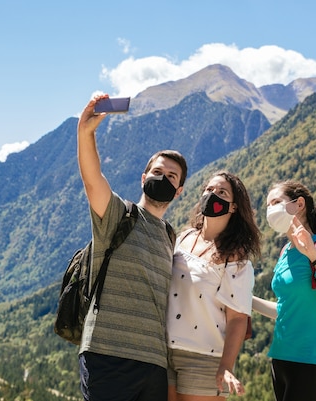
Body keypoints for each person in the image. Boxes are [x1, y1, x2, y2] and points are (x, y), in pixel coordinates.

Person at [77, 93, 188, 401]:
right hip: (107, 355)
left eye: (170, 176)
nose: (162, 178)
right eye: (157, 172)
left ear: (178, 192)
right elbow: (92, 180)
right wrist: (85, 132)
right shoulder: (118, 214)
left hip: (153, 365)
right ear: (143, 178)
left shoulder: (170, 236)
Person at [252, 180, 316, 401]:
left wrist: (313, 256)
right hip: (280, 355)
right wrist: (245, 299)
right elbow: (286, 308)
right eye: (268, 206)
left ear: (299, 204)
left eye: (276, 202)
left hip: (310, 357)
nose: (271, 210)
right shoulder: (285, 253)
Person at [166, 171, 261, 401]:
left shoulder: (236, 259)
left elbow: (238, 318)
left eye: (221, 193)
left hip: (204, 358)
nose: (212, 195)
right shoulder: (184, 238)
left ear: (234, 207)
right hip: (164, 351)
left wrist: (226, 366)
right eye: (209, 190)